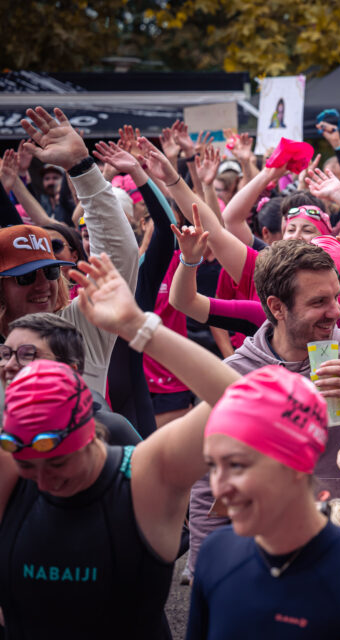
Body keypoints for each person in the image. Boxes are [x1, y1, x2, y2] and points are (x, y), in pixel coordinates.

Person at [0, 253, 241, 638]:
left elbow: (242, 400)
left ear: (92, 432)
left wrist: (137, 326)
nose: (43, 480)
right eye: (29, 465)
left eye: (59, 463)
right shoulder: (8, 467)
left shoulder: (145, 477)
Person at [185, 238, 340, 577]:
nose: (337, 312)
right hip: (266, 559)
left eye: (336, 297)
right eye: (319, 302)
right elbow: (207, 487)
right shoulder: (238, 373)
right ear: (277, 307)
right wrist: (203, 571)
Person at [186, 365, 340, 639]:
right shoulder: (216, 555)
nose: (219, 488)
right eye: (211, 466)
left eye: (236, 465)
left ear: (296, 465)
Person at [2, 107, 139, 398]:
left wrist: (81, 166)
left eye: (51, 271)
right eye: (24, 277)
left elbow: (120, 255)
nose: (43, 284)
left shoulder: (78, 328)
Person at [2, 312, 141, 447]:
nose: (9, 365)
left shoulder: (109, 430)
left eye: (27, 354)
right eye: (5, 354)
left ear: (70, 371)